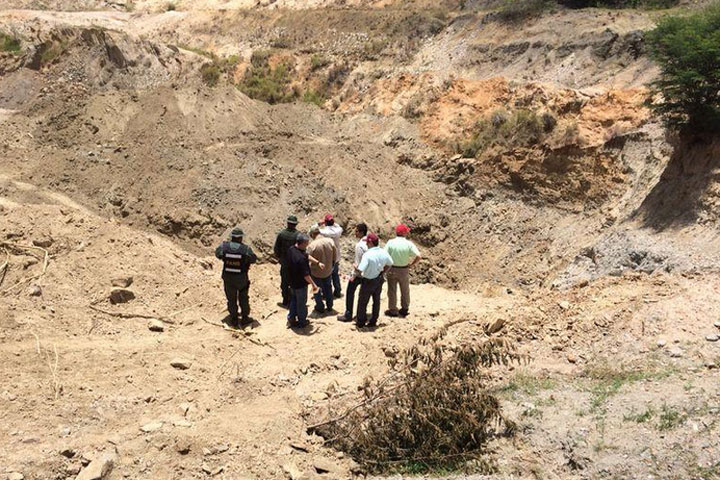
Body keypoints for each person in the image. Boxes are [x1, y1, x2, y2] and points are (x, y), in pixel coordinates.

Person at [215, 227, 258, 328]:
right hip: (241, 278)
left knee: (231, 299)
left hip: (228, 278)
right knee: (243, 298)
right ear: (240, 238)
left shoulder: (224, 246)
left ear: (232, 237)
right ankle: (245, 317)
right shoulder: (245, 249)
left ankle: (234, 318)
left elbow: (218, 254)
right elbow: (253, 259)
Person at [355, 233, 393, 328]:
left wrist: (355, 267)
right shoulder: (383, 252)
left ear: (370, 243)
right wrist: (383, 272)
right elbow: (390, 263)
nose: (366, 244)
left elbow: (361, 269)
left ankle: (361, 322)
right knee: (376, 300)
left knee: (363, 302)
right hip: (379, 279)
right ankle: (373, 320)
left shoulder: (367, 255)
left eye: (367, 242)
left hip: (368, 280)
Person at [385, 223, 421, 318]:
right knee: (405, 290)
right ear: (404, 233)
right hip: (404, 269)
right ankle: (404, 309)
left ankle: (393, 310)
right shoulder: (408, 243)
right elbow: (418, 256)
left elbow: (384, 255)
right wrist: (411, 265)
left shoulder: (390, 242)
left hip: (392, 268)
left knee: (392, 290)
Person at [286, 234, 319, 329]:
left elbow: (306, 255)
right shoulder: (301, 259)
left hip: (292, 282)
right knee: (301, 303)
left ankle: (291, 318)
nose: (307, 245)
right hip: (300, 284)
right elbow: (306, 275)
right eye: (306, 243)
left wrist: (317, 262)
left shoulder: (291, 249)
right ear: (303, 243)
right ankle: (302, 321)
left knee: (294, 300)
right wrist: (313, 284)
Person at [337, 222, 368, 322]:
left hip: (359, 274)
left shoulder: (359, 246)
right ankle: (361, 315)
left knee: (350, 292)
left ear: (361, 232)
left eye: (357, 231)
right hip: (368, 274)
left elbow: (358, 263)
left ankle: (348, 314)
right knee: (364, 296)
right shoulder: (370, 242)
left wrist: (353, 275)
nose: (355, 233)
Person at [307, 225, 338, 314]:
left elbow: (307, 258)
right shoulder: (330, 241)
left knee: (316, 289)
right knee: (328, 288)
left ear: (313, 234)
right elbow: (335, 257)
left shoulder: (312, 246)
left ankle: (320, 306)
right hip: (328, 270)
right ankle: (330, 305)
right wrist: (331, 266)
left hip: (316, 272)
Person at [273, 215, 299, 307]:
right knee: (294, 281)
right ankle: (293, 300)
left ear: (288, 223)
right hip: (294, 263)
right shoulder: (298, 235)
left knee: (284, 281)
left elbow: (276, 248)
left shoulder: (281, 234)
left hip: (284, 262)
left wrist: (279, 258)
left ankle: (285, 299)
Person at [318, 214, 343, 298]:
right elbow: (338, 226)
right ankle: (337, 291)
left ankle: (326, 293)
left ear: (325, 222)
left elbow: (313, 229)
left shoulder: (324, 231)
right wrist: (333, 223)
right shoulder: (338, 230)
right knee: (335, 274)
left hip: (327, 257)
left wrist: (319, 223)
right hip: (336, 256)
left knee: (326, 276)